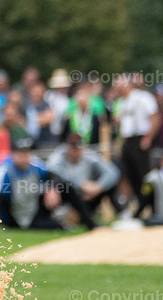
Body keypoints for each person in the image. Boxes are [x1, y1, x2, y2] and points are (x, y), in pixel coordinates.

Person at [0, 136, 97, 230]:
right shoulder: (4, 170)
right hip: (13, 217)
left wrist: (52, 188)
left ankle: (89, 222)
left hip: (33, 208)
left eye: (27, 152)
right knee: (55, 226)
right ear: (13, 154)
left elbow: (53, 175)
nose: (24, 157)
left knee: (66, 187)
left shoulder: (34, 165)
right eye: (20, 153)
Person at [113, 75, 161, 218]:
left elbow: (155, 118)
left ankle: (152, 207)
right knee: (130, 174)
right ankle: (140, 207)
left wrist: (148, 137)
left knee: (144, 175)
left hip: (140, 139)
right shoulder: (122, 102)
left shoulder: (143, 97)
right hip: (128, 141)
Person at [46, 133, 120, 219]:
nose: (75, 152)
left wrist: (98, 187)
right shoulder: (58, 157)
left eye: (77, 149)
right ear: (66, 147)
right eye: (72, 149)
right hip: (70, 197)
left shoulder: (89, 155)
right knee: (61, 186)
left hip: (89, 196)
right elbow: (52, 171)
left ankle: (122, 212)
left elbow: (112, 172)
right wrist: (81, 185)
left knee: (110, 183)